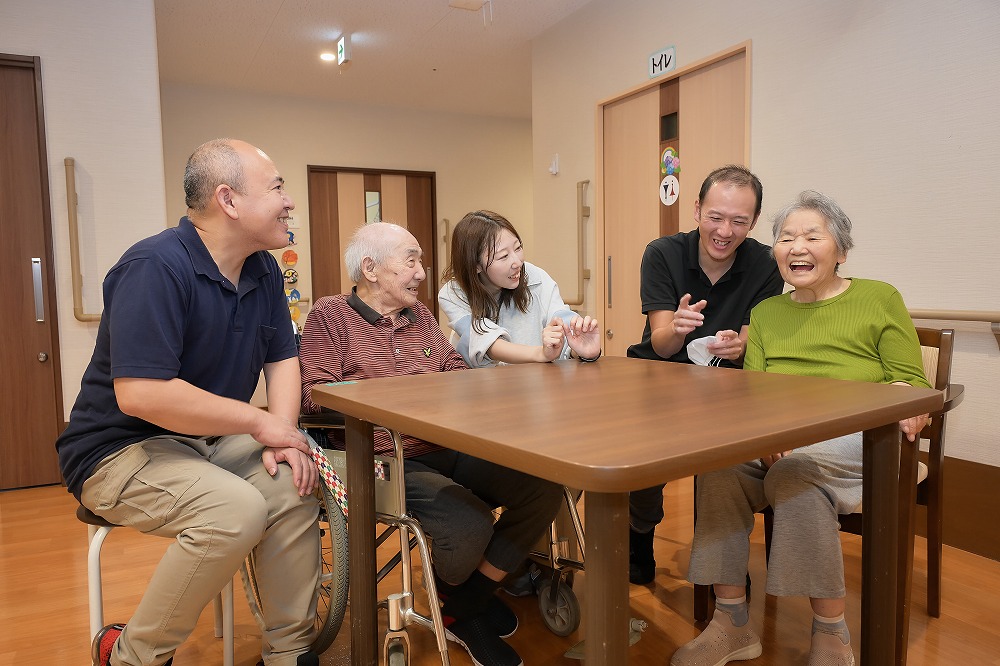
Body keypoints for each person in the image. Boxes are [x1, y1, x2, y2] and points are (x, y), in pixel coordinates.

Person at [56, 139, 321, 666]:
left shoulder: (263, 269)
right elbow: (142, 394)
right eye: (276, 187)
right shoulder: (154, 266)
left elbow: (282, 357)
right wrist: (257, 421)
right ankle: (132, 655)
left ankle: (288, 654)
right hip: (115, 451)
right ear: (228, 200)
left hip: (203, 444)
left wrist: (285, 436)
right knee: (235, 511)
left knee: (294, 482)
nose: (289, 201)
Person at [671, 191, 930, 666]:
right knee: (719, 465)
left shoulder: (879, 296)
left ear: (842, 250)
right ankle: (730, 623)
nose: (797, 247)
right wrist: (770, 436)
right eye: (786, 238)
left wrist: (909, 402)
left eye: (813, 236)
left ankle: (832, 633)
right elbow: (756, 394)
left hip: (864, 438)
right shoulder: (767, 313)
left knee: (797, 473)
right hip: (786, 439)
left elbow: (910, 381)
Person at [299, 221, 563, 666]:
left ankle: (462, 602)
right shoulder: (330, 315)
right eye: (411, 260)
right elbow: (315, 394)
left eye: (419, 259)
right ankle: (467, 606)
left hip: (445, 444)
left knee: (542, 487)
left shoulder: (419, 317)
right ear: (371, 269)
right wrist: (397, 398)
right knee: (469, 523)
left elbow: (454, 371)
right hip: (382, 457)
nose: (423, 271)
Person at [625, 165, 784, 584]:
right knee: (645, 455)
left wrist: (741, 344)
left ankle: (723, 561)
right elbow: (660, 343)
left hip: (725, 385)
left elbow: (756, 334)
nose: (725, 231)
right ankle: (638, 534)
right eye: (716, 216)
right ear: (696, 210)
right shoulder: (662, 253)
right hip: (659, 375)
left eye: (739, 221)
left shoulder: (766, 263)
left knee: (727, 458)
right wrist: (676, 327)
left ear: (753, 221)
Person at [438, 209, 601, 367]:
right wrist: (541, 354)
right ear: (475, 266)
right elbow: (487, 343)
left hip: (536, 386)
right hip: (482, 389)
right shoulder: (453, 293)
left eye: (518, 248)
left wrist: (581, 350)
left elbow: (560, 317)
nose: (517, 262)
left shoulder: (535, 276)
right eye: (503, 256)